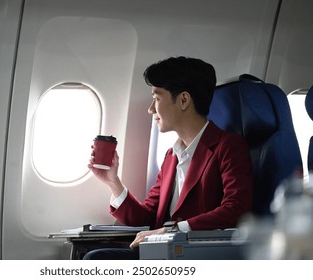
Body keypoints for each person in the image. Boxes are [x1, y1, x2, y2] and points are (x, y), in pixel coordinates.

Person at [84, 56, 253, 260]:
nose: (151, 109)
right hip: (164, 252)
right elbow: (148, 217)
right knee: (96, 258)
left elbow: (236, 209)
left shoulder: (228, 146)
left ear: (183, 100)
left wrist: (173, 230)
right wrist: (113, 182)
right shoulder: (171, 156)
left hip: (197, 255)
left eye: (157, 98)